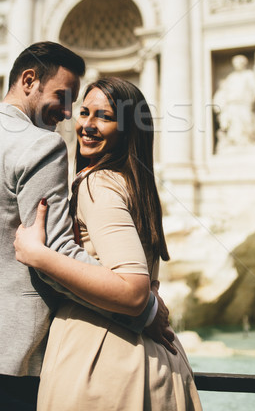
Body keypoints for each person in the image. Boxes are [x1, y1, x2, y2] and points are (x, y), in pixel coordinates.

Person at [0, 42, 170, 411]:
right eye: (63, 96)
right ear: (29, 80)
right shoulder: (41, 146)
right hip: (5, 357)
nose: (68, 112)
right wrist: (143, 310)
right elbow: (55, 257)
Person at [14, 77, 202, 411]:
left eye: (103, 116)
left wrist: (38, 255)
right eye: (84, 112)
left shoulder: (97, 184)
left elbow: (132, 291)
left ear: (127, 129)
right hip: (152, 360)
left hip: (102, 362)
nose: (86, 124)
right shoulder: (135, 184)